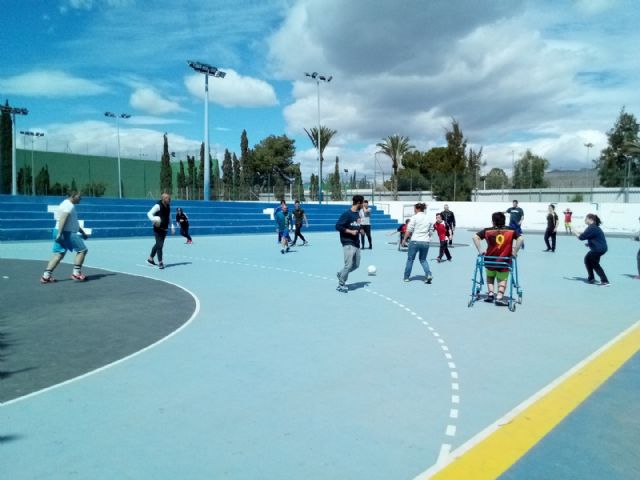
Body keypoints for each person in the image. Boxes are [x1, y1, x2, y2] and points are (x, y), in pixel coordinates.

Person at [473, 211, 524, 306]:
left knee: (490, 277)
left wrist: (480, 250)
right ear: (504, 221)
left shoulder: (487, 231)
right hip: (504, 261)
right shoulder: (511, 231)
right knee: (502, 279)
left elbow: (475, 237)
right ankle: (499, 297)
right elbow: (520, 239)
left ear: (493, 221)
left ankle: (491, 294)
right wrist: (515, 252)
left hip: (489, 260)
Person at [40, 191, 89, 283]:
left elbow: (73, 223)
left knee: (58, 254)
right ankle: (76, 273)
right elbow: (63, 218)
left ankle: (46, 276)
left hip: (59, 231)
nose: (80, 199)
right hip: (66, 232)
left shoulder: (65, 204)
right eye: (79, 197)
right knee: (82, 250)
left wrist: (83, 232)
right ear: (73, 196)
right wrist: (60, 232)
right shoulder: (69, 205)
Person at [335, 195, 364, 293]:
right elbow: (338, 226)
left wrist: (361, 230)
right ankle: (341, 284)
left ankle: (341, 273)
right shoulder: (346, 214)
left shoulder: (358, 214)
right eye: (362, 202)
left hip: (356, 243)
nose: (363, 205)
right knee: (348, 264)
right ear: (359, 202)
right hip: (348, 242)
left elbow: (356, 226)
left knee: (356, 265)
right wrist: (350, 232)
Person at [402, 202, 434, 283]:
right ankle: (428, 274)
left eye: (414, 209)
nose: (414, 211)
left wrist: (404, 240)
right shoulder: (429, 218)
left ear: (417, 209)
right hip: (425, 242)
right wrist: (427, 237)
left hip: (415, 241)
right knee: (423, 260)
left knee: (410, 259)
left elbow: (409, 230)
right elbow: (431, 231)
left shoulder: (414, 217)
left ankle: (406, 277)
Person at [575, 213, 609, 286]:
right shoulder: (594, 227)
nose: (585, 220)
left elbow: (581, 237)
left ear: (590, 219)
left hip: (598, 249)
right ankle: (591, 278)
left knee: (595, 264)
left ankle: (605, 281)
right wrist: (589, 244)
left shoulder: (592, 227)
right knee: (587, 259)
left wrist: (574, 231)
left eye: (586, 219)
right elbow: (595, 238)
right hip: (600, 248)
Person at [147, 193, 173, 269]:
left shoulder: (168, 206)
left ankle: (150, 258)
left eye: (170, 198)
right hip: (157, 229)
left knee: (158, 244)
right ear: (163, 199)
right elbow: (149, 213)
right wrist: (154, 219)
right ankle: (160, 262)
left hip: (164, 228)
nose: (170, 199)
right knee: (160, 245)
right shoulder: (158, 206)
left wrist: (172, 226)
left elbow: (169, 216)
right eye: (168, 198)